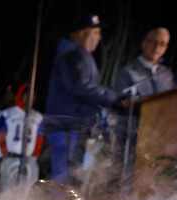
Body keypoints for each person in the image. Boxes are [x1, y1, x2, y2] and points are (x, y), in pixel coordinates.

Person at [45, 13, 123, 184]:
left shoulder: (75, 54)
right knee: (63, 175)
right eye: (94, 32)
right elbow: (81, 86)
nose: (98, 37)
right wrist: (114, 99)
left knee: (67, 173)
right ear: (79, 33)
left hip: (71, 123)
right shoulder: (73, 55)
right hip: (67, 123)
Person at [0, 85, 44, 189]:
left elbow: (40, 138)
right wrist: (5, 152)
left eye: (33, 96)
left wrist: (35, 155)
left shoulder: (38, 117)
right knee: (7, 191)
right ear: (21, 95)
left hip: (29, 160)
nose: (30, 98)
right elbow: (1, 135)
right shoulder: (8, 113)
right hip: (11, 157)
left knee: (28, 192)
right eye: (27, 95)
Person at [115, 28, 174, 98]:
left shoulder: (166, 74)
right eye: (154, 42)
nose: (157, 47)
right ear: (144, 43)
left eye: (162, 44)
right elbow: (121, 102)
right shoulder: (127, 72)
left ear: (166, 48)